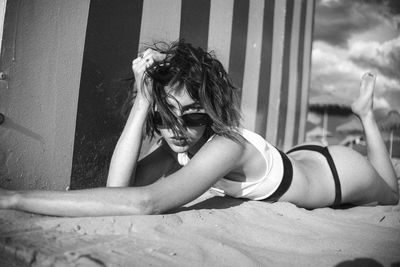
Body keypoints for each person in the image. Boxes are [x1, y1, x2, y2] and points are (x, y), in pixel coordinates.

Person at [0, 41, 398, 217]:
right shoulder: (184, 144)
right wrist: (142, 102)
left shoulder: (224, 144)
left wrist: (15, 200)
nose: (177, 128)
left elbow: (146, 202)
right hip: (297, 159)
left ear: (211, 114)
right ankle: (364, 115)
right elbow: (121, 189)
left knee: (392, 196)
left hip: (340, 174)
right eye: (165, 113)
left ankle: (365, 115)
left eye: (191, 117)